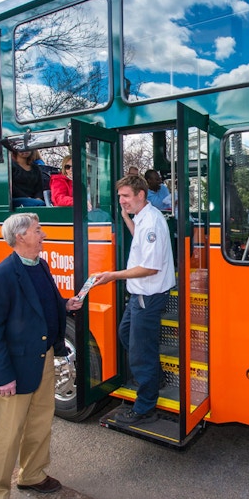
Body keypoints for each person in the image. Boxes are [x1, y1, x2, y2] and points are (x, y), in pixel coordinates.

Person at [0, 213, 83, 499]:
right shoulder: (2, 275)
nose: (43, 234)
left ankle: (32, 474)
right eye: (38, 230)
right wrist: (2, 376)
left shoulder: (40, 265)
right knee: (7, 433)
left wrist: (65, 305)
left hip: (43, 357)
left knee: (39, 421)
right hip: (15, 367)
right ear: (21, 237)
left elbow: (46, 302)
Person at [93, 175, 175, 424]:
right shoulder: (144, 219)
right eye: (120, 196)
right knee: (126, 333)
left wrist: (112, 276)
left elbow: (150, 268)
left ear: (141, 195)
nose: (122, 201)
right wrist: (127, 217)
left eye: (126, 196)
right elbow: (138, 236)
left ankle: (144, 408)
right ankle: (156, 377)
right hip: (139, 295)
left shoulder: (151, 222)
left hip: (146, 297)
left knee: (141, 352)